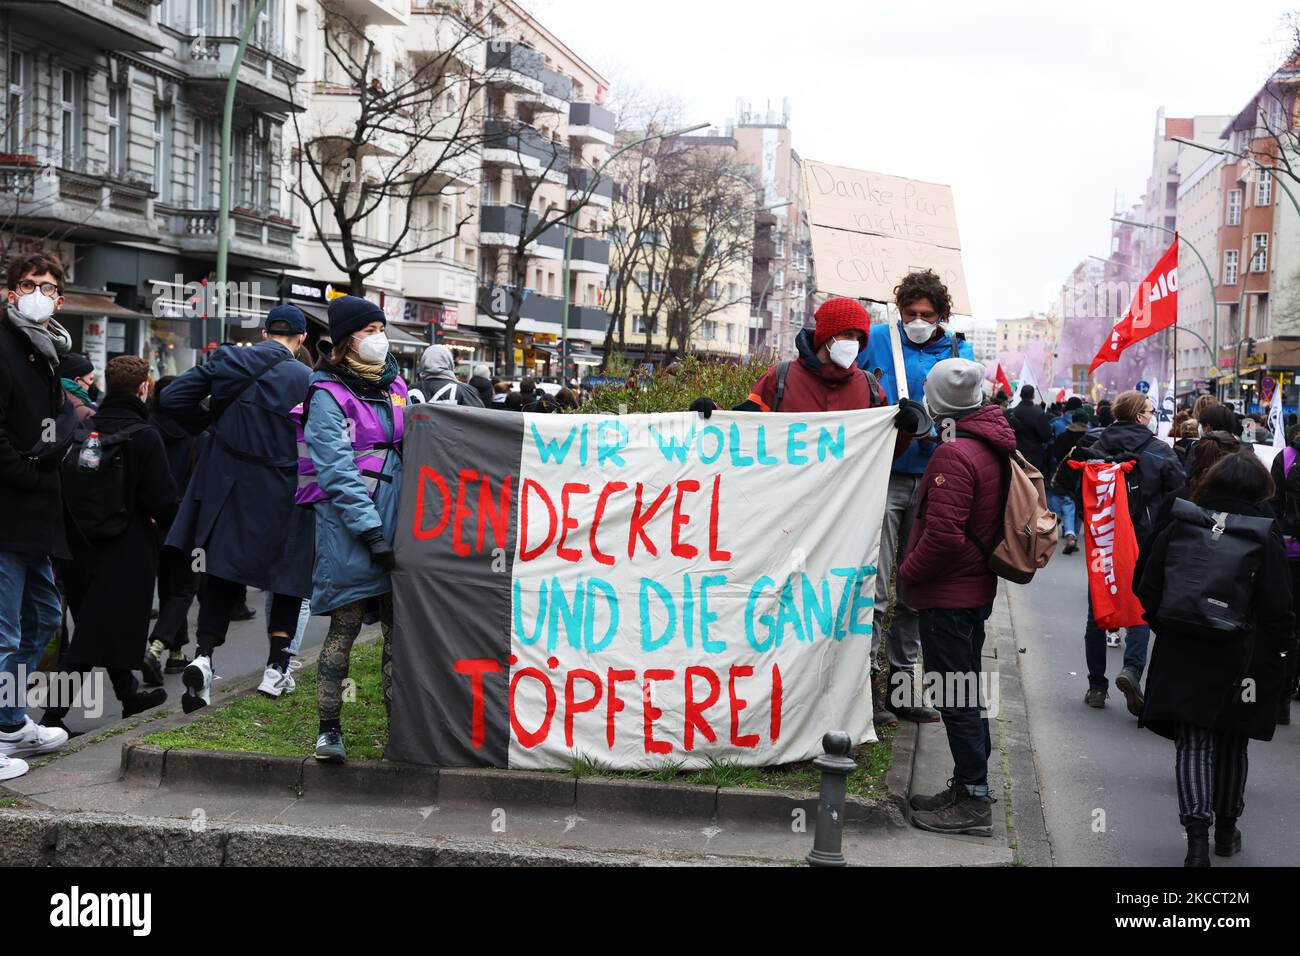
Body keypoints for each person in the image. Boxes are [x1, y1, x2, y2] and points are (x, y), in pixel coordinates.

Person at [1135, 452, 1293, 866]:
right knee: (1231, 740)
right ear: (1261, 489)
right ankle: (1226, 830)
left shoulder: (1184, 521)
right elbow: (1278, 606)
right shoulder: (1264, 533)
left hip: (1184, 645)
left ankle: (1196, 843)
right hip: (1244, 654)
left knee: (1193, 741)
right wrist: (1279, 653)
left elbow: (1146, 582)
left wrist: (1169, 624)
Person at [162, 304, 315, 711]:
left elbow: (172, 397)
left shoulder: (228, 359)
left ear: (265, 333)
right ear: (300, 340)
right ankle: (276, 668)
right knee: (287, 575)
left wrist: (210, 424)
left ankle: (204, 657)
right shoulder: (306, 379)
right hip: (282, 490)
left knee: (221, 570)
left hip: (225, 485)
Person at [856, 271, 975, 724]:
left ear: (942, 315)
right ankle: (863, 688)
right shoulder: (878, 339)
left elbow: (968, 417)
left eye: (927, 315)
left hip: (934, 484)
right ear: (899, 312)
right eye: (911, 314)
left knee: (914, 592)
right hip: (883, 477)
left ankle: (902, 691)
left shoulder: (959, 352)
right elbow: (854, 388)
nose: (918, 321)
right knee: (874, 587)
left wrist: (941, 431)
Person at [900, 359, 1011, 837]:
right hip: (971, 590)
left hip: (949, 595)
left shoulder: (955, 454)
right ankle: (970, 787)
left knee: (956, 695)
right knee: (966, 689)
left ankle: (973, 799)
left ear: (939, 402)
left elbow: (943, 536)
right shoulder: (990, 444)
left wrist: (906, 574)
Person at [295, 296, 406, 764]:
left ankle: (400, 731)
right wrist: (370, 532)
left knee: (400, 636)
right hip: (349, 530)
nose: (380, 336)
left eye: (382, 326)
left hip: (401, 525)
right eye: (370, 329)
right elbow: (337, 472)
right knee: (344, 628)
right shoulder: (325, 395)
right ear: (346, 341)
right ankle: (329, 730)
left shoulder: (395, 384)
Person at [41, 357, 178, 729]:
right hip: (126, 549)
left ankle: (129, 697)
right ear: (142, 388)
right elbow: (162, 500)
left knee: (96, 624)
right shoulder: (145, 435)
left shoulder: (85, 428)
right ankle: (52, 719)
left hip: (78, 547)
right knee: (91, 638)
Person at [0, 253, 75, 776]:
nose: (37, 293)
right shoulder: (6, 347)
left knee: (45, 617)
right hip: (8, 509)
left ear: (59, 299)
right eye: (28, 284)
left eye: (47, 287)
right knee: (3, 633)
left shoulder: (48, 351)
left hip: (35, 516)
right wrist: (28, 472)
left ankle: (10, 722)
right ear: (9, 293)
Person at [1071, 389, 1184, 714]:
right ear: (1138, 415)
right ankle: (1131, 671)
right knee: (1140, 609)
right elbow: (1179, 493)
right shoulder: (1160, 450)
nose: (1151, 416)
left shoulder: (1094, 446)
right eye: (1149, 411)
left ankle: (1096, 685)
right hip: (1144, 541)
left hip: (1103, 539)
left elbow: (1077, 490)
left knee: (1099, 608)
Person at [142, 375, 207, 684]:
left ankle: (177, 655)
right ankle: (157, 646)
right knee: (184, 588)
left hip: (151, 520)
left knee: (168, 584)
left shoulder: (148, 427)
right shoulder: (198, 433)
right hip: (187, 520)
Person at [1050, 409, 1091, 554]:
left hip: (1066, 475)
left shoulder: (1063, 437)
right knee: (1080, 506)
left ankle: (1070, 534)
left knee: (1068, 505)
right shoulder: (1089, 438)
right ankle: (1073, 534)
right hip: (1084, 476)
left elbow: (1056, 454)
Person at [407, 345, 484, 407]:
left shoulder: (409, 390)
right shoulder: (466, 392)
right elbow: (479, 422)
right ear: (449, 362)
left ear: (423, 362)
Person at [1008, 386, 1053, 475]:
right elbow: (1047, 436)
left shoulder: (1010, 413)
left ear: (1020, 395)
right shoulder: (1038, 413)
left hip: (1013, 456)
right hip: (1034, 459)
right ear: (1033, 396)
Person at [56, 353, 99, 422]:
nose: (93, 384)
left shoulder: (54, 397)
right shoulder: (86, 412)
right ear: (77, 381)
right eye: (91, 379)